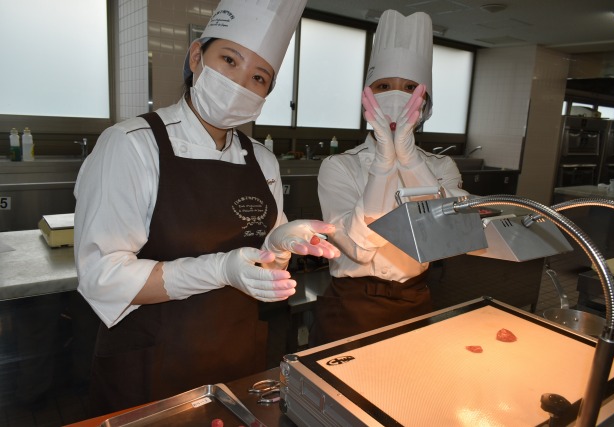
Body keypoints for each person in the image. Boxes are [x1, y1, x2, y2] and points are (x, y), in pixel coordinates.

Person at [74, 0, 340, 415]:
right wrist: (219, 269)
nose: (240, 83)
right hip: (150, 366)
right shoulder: (132, 145)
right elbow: (101, 276)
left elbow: (264, 263)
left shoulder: (262, 161)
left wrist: (282, 242)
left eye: (258, 77)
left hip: (235, 358)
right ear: (197, 56)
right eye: (229, 60)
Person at [312, 10, 468, 345]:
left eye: (410, 87)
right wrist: (384, 162)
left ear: (424, 104)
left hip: (415, 300)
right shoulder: (339, 166)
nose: (396, 96)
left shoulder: (441, 167)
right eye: (383, 86)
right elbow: (357, 247)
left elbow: (446, 238)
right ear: (367, 100)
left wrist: (409, 159)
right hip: (349, 304)